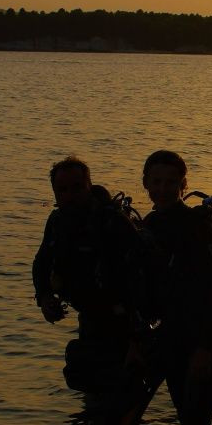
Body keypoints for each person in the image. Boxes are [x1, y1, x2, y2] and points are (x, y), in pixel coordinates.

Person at [135, 150, 212, 425]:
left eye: (171, 183)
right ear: (146, 183)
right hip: (174, 339)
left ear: (183, 185)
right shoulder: (150, 225)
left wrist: (204, 349)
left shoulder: (198, 226)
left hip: (208, 341)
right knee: (187, 421)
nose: (163, 189)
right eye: (157, 182)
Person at [31, 157, 140, 394]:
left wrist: (136, 341)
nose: (70, 195)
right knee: (88, 383)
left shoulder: (113, 223)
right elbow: (42, 263)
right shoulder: (57, 222)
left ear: (89, 186)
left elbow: (141, 281)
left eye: (77, 187)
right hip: (91, 317)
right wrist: (45, 297)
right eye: (63, 190)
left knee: (121, 389)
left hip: (125, 321)